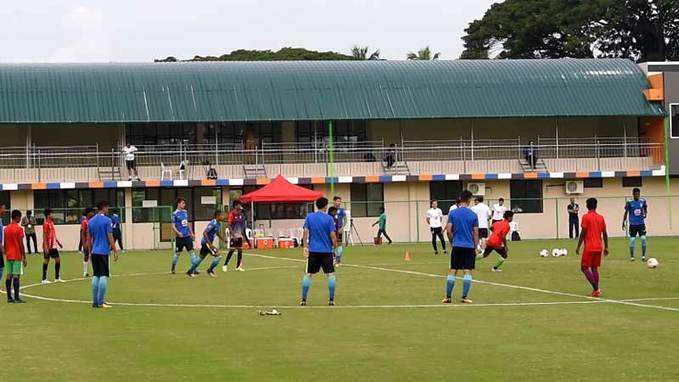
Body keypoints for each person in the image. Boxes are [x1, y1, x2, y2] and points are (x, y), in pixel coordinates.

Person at [300, 197, 338, 306]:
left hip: (313, 251)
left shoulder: (310, 217)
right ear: (326, 206)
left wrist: (305, 247)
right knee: (331, 275)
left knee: (308, 275)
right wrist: (335, 250)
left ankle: (303, 299)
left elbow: (305, 233)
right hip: (326, 251)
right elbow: (333, 236)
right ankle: (331, 300)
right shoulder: (329, 219)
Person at [443, 190, 478, 304]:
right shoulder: (473, 215)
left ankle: (448, 297)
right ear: (469, 200)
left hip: (457, 245)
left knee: (453, 270)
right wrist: (475, 247)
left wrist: (453, 242)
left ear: (460, 199)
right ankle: (464, 297)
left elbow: (448, 231)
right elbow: (475, 233)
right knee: (467, 271)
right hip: (469, 246)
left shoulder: (453, 213)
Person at [88, 201, 119, 308]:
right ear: (104, 208)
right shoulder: (107, 220)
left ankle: (95, 301)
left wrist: (89, 252)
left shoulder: (91, 221)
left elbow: (89, 238)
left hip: (94, 252)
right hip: (103, 251)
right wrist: (115, 250)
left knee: (96, 275)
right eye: (107, 208)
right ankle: (101, 302)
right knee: (104, 276)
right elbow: (110, 236)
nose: (108, 210)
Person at [576, 198, 608, 297]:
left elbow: (583, 233)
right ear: (596, 206)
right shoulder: (601, 217)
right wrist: (606, 247)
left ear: (587, 206)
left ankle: (596, 288)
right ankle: (596, 291)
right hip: (599, 246)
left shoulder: (586, 217)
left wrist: (578, 246)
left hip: (590, 247)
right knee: (594, 268)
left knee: (584, 267)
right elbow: (605, 233)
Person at [188, 210, 226, 277]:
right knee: (218, 255)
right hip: (206, 242)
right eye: (222, 215)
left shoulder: (218, 224)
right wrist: (210, 244)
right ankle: (210, 270)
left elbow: (216, 232)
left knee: (200, 258)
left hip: (206, 243)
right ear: (218, 216)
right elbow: (204, 233)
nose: (223, 217)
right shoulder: (213, 223)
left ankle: (190, 271)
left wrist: (222, 239)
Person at [4, 210, 26, 303]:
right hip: (17, 255)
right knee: (16, 275)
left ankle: (9, 297)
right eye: (20, 217)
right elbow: (21, 244)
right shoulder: (19, 229)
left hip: (9, 255)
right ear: (17, 217)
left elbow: (5, 242)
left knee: (9, 275)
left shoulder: (6, 229)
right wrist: (24, 256)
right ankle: (16, 297)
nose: (20, 219)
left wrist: (6, 252)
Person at [622, 187, 648, 262]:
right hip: (633, 224)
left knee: (643, 239)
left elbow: (645, 208)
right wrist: (623, 222)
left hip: (641, 224)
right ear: (633, 194)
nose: (637, 195)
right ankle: (632, 257)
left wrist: (645, 213)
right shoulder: (629, 202)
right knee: (632, 240)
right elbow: (626, 212)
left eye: (638, 194)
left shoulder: (643, 201)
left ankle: (643, 256)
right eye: (636, 194)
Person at [170, 197, 195, 274]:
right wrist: (178, 233)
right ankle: (173, 267)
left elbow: (187, 223)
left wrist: (191, 233)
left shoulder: (185, 212)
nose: (184, 205)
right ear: (178, 203)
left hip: (187, 236)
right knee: (177, 254)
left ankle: (194, 269)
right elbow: (173, 226)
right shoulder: (174, 214)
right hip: (180, 238)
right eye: (183, 203)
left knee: (192, 253)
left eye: (184, 203)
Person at [223, 200, 248, 272]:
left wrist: (243, 236)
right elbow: (228, 224)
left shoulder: (241, 214)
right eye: (239, 205)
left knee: (240, 250)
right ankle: (225, 265)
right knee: (232, 250)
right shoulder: (232, 214)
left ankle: (238, 266)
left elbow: (242, 226)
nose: (240, 206)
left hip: (239, 235)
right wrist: (233, 234)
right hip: (234, 236)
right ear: (235, 206)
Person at [41, 208, 64, 284]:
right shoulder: (46, 224)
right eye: (51, 214)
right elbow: (44, 236)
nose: (52, 215)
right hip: (48, 246)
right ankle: (44, 279)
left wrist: (58, 242)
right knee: (46, 261)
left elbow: (53, 235)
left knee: (58, 260)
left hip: (53, 246)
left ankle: (57, 278)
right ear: (48, 215)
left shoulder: (51, 223)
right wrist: (46, 247)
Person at [80, 208, 95, 278]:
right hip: (87, 241)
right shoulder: (85, 222)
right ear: (88, 213)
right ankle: (85, 272)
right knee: (86, 256)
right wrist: (83, 243)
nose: (93, 213)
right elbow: (82, 233)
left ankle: (95, 271)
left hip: (93, 241)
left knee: (93, 256)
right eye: (92, 212)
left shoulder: (93, 221)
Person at [332, 196, 347, 265]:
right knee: (333, 244)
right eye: (337, 201)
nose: (339, 203)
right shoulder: (331, 210)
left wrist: (342, 228)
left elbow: (345, 220)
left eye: (340, 201)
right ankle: (333, 259)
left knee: (339, 244)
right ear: (334, 201)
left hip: (339, 230)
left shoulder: (342, 210)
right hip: (332, 230)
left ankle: (338, 260)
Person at [0, 202, 5, 286]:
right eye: (3, 208)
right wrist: (2, 248)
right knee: (1, 268)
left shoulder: (0, 220)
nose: (4, 210)